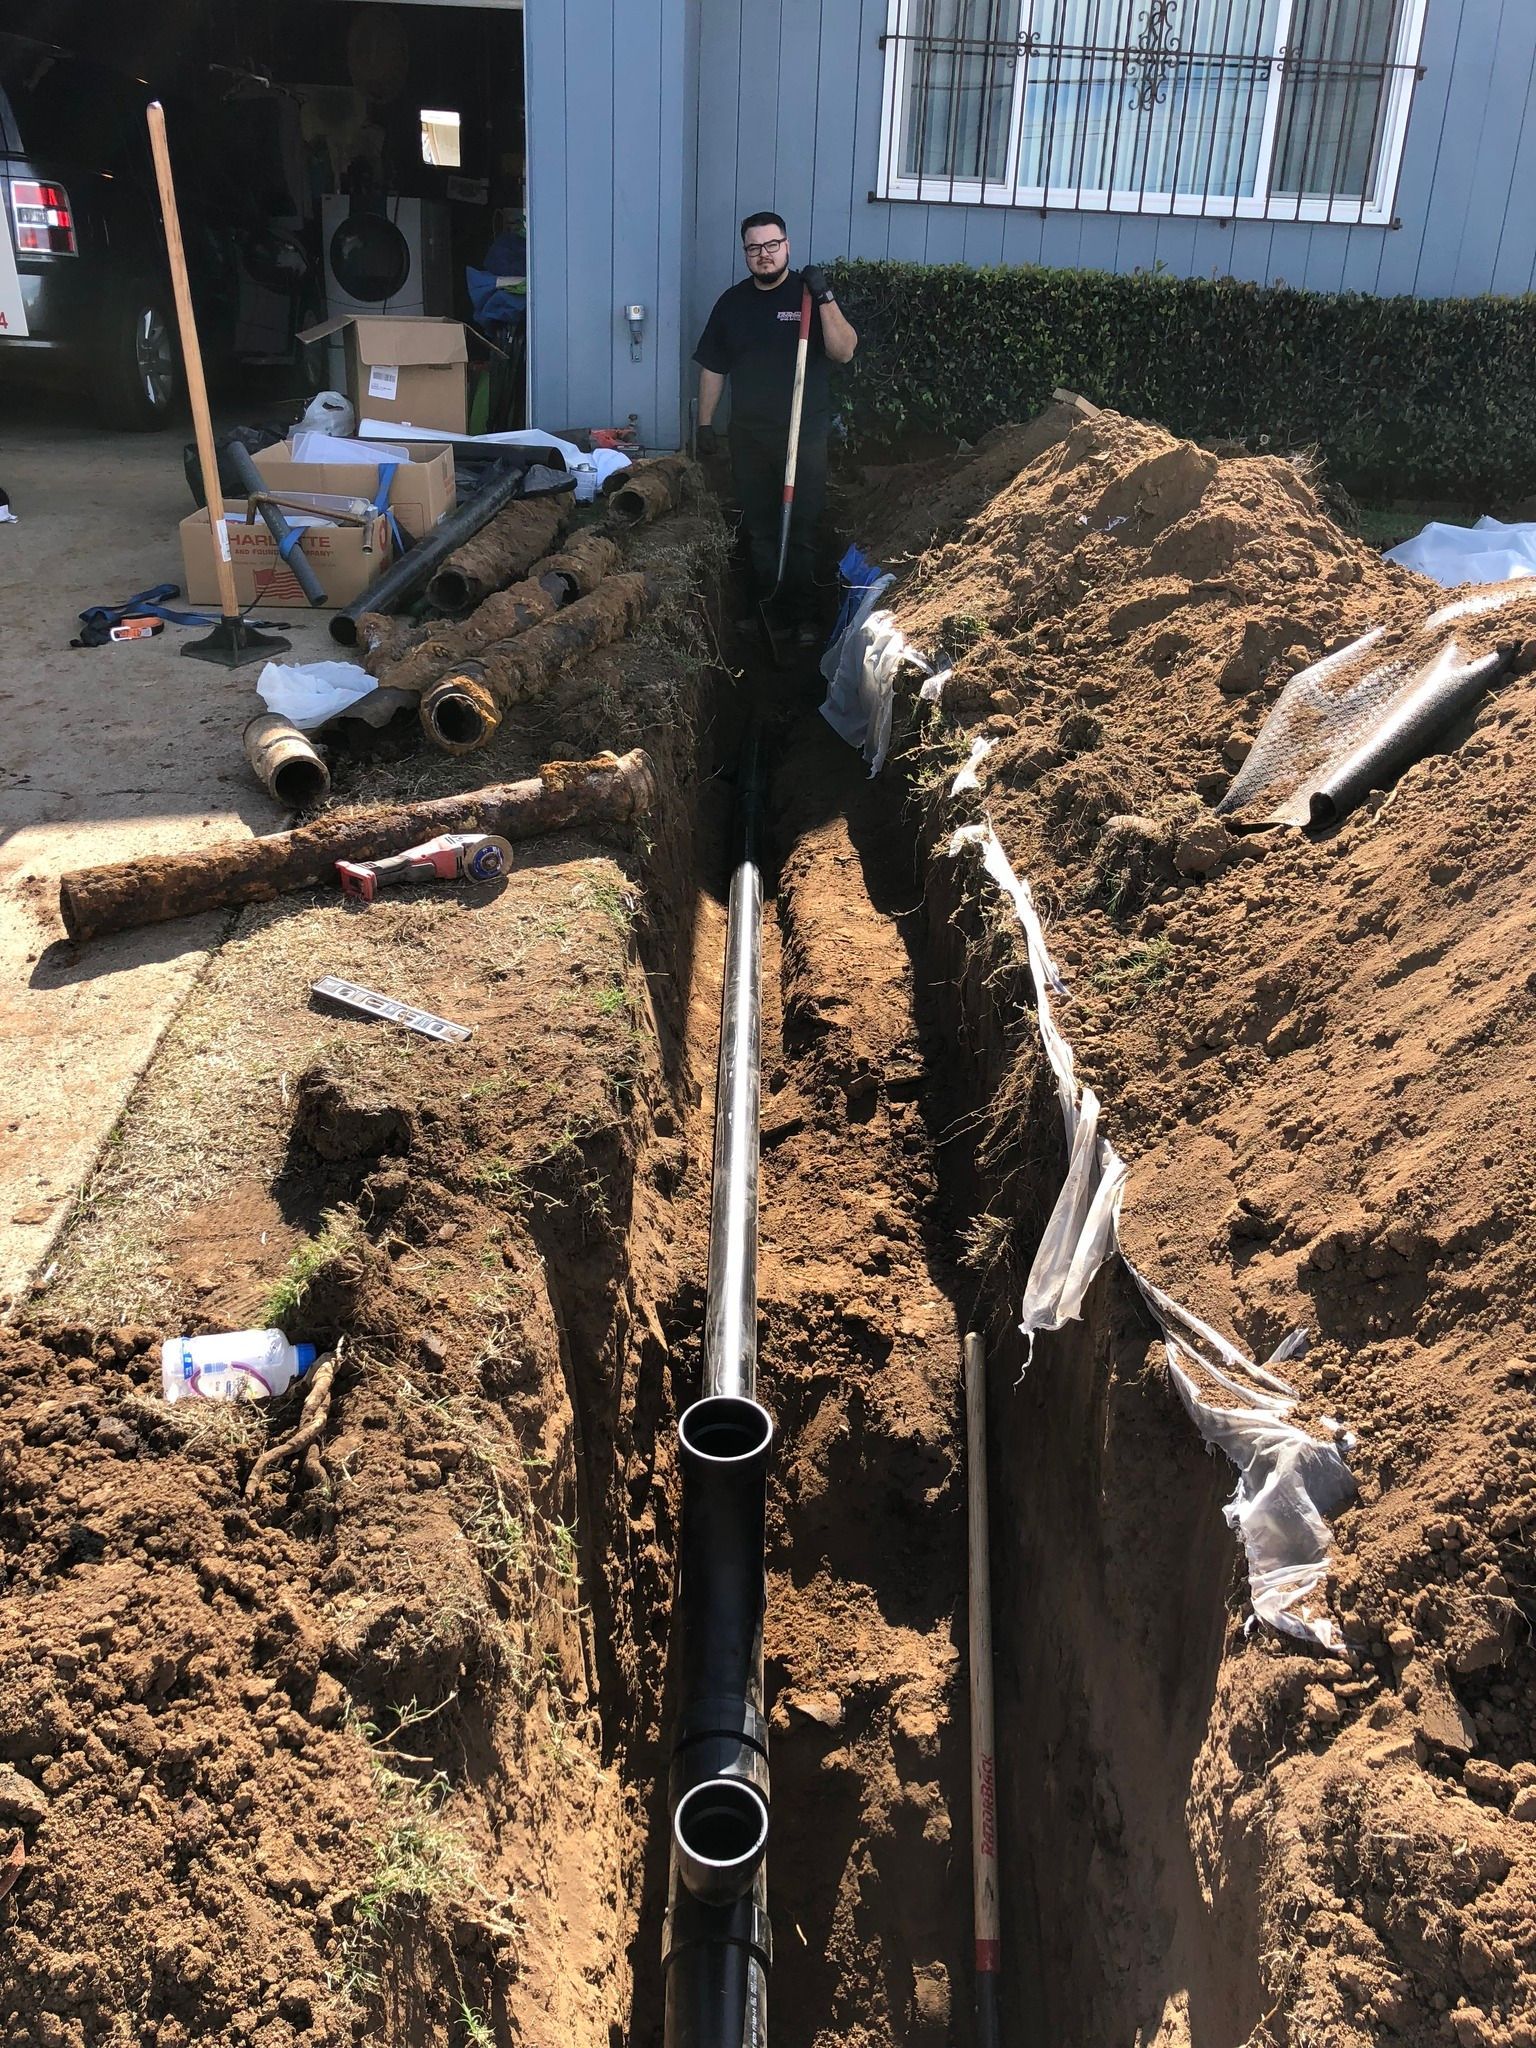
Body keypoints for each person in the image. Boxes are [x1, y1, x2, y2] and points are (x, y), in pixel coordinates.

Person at [694, 211, 858, 647]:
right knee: (760, 525)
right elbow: (713, 365)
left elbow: (843, 351)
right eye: (754, 248)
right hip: (750, 435)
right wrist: (705, 423)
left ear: (786, 245)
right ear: (745, 252)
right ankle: (764, 606)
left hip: (803, 435)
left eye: (772, 245)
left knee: (802, 526)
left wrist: (825, 297)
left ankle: (803, 616)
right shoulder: (732, 304)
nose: (763, 255)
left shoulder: (808, 296)